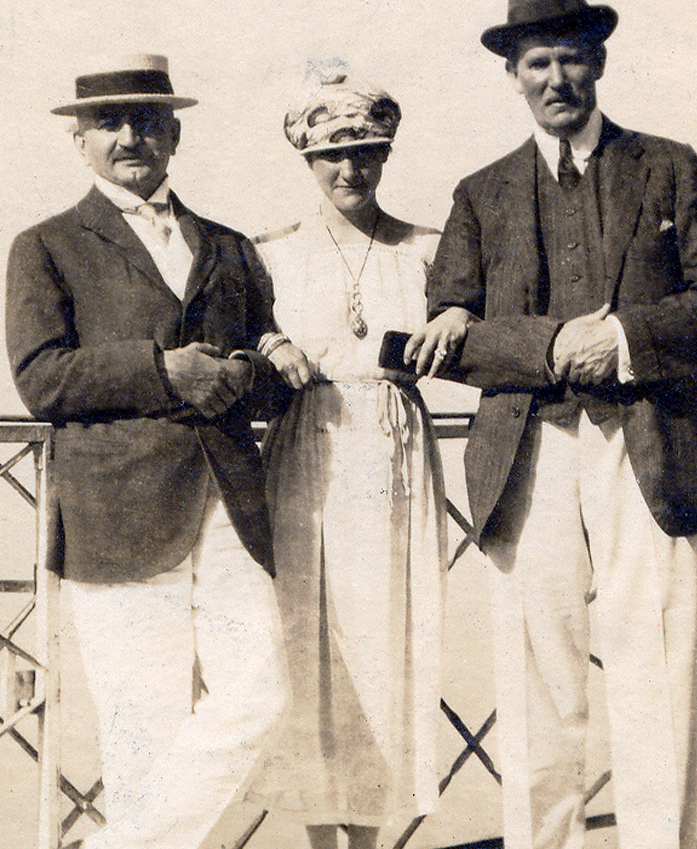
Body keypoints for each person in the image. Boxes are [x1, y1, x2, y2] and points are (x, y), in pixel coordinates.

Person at [405, 0, 697, 849]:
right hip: (530, 456)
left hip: (648, 444)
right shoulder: (479, 194)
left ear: (598, 63)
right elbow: (447, 339)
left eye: (571, 60)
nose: (556, 80)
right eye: (537, 65)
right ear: (512, 75)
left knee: (656, 666)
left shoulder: (670, 168)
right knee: (534, 683)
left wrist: (626, 339)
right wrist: (553, 347)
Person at [4, 53, 291, 849]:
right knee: (143, 740)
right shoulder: (48, 246)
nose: (131, 136)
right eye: (110, 123)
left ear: (175, 133)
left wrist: (246, 370)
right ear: (81, 142)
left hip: (231, 502)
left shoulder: (230, 247)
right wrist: (164, 370)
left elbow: (269, 365)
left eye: (148, 121)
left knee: (265, 688)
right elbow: (42, 378)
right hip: (117, 511)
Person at [245, 75, 448, 849]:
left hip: (394, 453)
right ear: (307, 159)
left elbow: (472, 328)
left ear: (386, 153)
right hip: (307, 451)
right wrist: (268, 342)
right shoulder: (272, 255)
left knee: (385, 637)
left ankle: (370, 843)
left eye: (364, 152)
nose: (349, 171)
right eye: (332, 155)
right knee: (309, 640)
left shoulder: (426, 251)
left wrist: (455, 317)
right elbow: (234, 325)